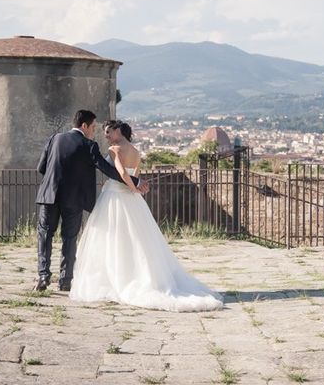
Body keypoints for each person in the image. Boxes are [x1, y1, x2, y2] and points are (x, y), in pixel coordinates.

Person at [70, 120, 223, 312]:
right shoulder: (135, 150)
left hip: (116, 195)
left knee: (112, 237)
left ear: (118, 131)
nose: (106, 136)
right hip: (132, 199)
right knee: (137, 238)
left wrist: (132, 186)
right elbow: (137, 172)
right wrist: (136, 190)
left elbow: (123, 174)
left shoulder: (114, 149)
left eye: (109, 132)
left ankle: (116, 279)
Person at [34, 110, 148, 292]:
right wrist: (136, 181)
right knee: (69, 239)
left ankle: (43, 276)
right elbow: (108, 170)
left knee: (45, 235)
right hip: (74, 199)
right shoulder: (89, 145)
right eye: (94, 127)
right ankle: (65, 281)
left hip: (49, 195)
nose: (95, 131)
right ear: (84, 126)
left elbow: (42, 167)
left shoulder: (55, 138)